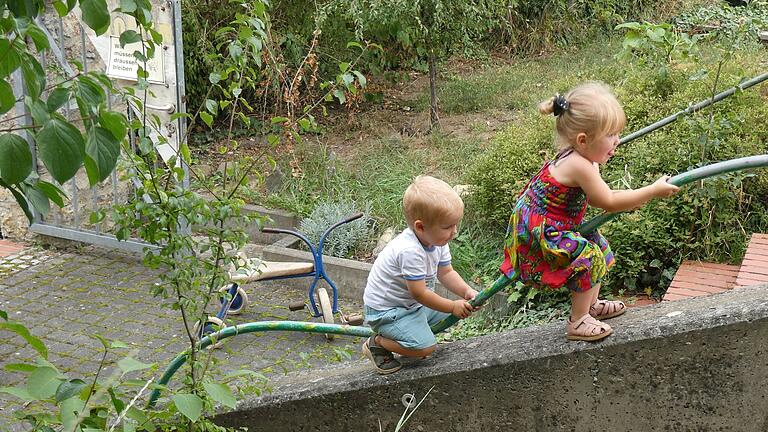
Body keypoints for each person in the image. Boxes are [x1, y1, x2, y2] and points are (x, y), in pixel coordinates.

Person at [500, 81, 679, 342]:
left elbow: (606, 196)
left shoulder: (583, 157)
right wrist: (651, 190)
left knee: (599, 246)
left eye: (618, 133)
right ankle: (578, 320)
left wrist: (637, 196)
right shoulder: (579, 164)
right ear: (583, 140)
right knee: (588, 258)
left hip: (555, 222)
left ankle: (591, 306)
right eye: (611, 134)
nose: (617, 140)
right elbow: (607, 201)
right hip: (541, 231)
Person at [362, 175, 478, 374]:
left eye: (455, 225)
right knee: (426, 347)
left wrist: (467, 292)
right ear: (420, 227)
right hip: (388, 313)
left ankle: (409, 338)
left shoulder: (436, 241)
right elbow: (420, 294)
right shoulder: (410, 251)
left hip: (411, 306)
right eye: (448, 227)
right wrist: (452, 305)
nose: (454, 232)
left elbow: (446, 272)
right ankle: (378, 343)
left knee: (460, 311)